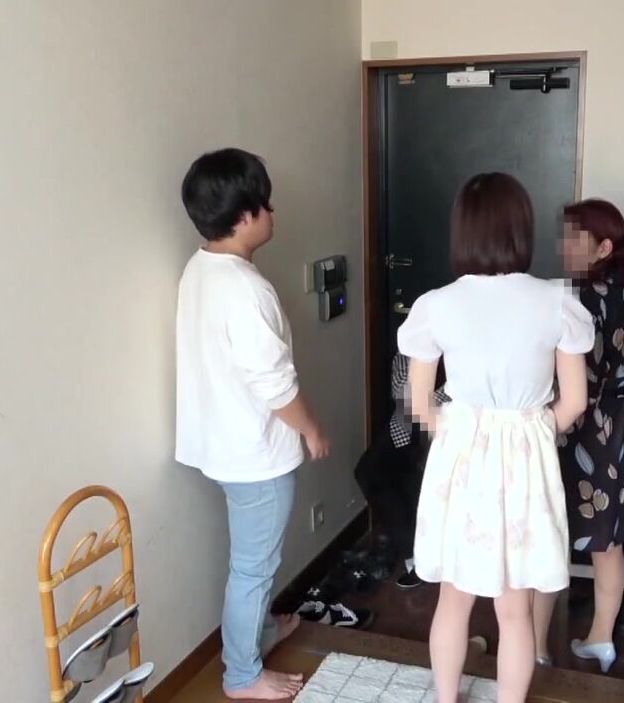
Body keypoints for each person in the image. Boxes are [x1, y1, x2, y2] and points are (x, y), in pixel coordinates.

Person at [397, 172, 593, 703]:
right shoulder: (554, 301)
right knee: (515, 608)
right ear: (520, 228)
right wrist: (531, 432)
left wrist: (459, 432)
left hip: (461, 454)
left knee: (452, 599)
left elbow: (419, 403)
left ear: (462, 230)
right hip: (526, 457)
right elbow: (575, 401)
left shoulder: (437, 304)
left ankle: (445, 699)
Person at [175, 148, 330, 700]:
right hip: (254, 455)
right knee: (253, 567)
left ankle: (259, 633)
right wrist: (311, 429)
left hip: (222, 445)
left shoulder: (200, 269)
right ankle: (241, 675)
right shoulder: (244, 287)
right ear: (245, 215)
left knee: (254, 558)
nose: (272, 212)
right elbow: (274, 383)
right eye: (266, 203)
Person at [532, 199, 624, 674]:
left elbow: (570, 375)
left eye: (574, 238)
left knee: (549, 537)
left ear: (603, 246)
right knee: (609, 540)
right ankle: (602, 639)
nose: (563, 246)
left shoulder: (577, 298)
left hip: (582, 424)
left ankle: (535, 647)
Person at [353, 351, 450, 589]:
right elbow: (403, 396)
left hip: (445, 429)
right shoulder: (411, 348)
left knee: (422, 485)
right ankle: (413, 554)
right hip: (405, 426)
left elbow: (456, 393)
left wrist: (426, 397)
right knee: (369, 472)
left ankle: (423, 557)